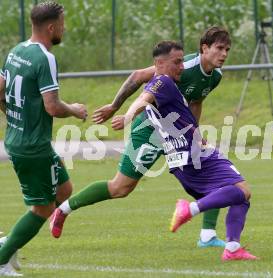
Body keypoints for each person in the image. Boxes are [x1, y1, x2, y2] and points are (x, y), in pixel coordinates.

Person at [51, 27, 231, 248]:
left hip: (177, 133)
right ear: (205, 48)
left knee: (213, 174)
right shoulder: (183, 65)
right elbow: (139, 78)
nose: (224, 54)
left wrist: (196, 132)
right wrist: (116, 107)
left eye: (227, 50)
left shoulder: (215, 77)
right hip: (150, 128)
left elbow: (196, 102)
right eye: (220, 48)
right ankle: (63, 209)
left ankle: (207, 236)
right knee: (120, 188)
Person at [111, 40, 257, 261]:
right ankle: (190, 210)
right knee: (240, 190)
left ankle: (232, 248)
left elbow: (181, 108)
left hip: (186, 152)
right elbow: (143, 98)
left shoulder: (172, 84)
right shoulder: (162, 82)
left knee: (238, 194)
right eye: (178, 62)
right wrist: (128, 116)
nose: (182, 66)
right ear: (160, 64)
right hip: (191, 154)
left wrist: (196, 133)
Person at [0, 2, 87, 276]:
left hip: (23, 139)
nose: (65, 28)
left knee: (64, 189)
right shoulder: (44, 57)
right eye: (63, 23)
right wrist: (75, 109)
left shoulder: (16, 51)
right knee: (42, 208)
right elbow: (52, 106)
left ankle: (8, 241)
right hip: (31, 146)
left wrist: (15, 115)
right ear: (52, 27)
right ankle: (2, 257)